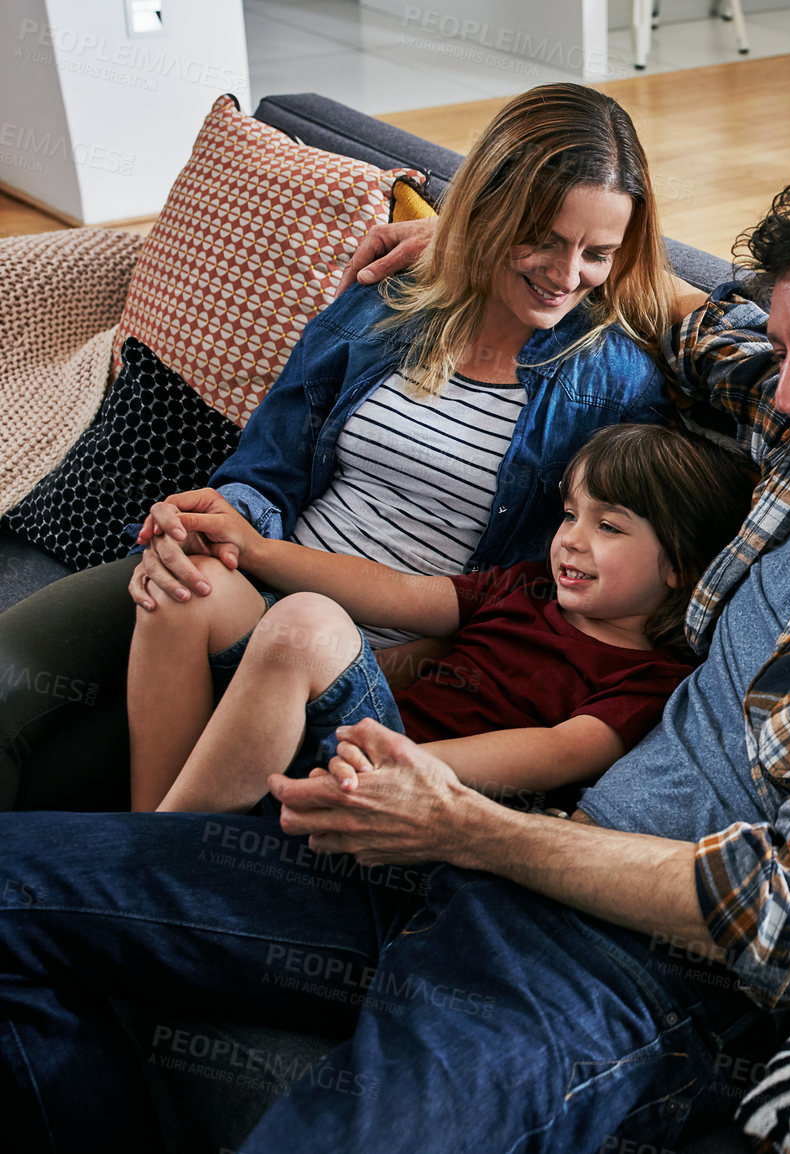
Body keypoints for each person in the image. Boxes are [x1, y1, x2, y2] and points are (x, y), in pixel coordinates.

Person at [0, 159, 790, 1153]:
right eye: (788, 344)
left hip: (632, 972)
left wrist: (472, 824)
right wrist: (480, 242)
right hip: (482, 855)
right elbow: (681, 309)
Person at [0, 82, 675, 812]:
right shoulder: (391, 298)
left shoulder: (614, 387)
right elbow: (268, 466)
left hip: (369, 662)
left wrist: (416, 661)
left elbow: (545, 595)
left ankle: (143, 875)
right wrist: (215, 526)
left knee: (60, 784)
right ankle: (142, 864)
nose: (567, 275)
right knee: (65, 651)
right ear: (486, 210)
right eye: (543, 238)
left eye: (598, 253)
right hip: (251, 583)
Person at [131, 424, 755, 815]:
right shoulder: (528, 586)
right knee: (198, 586)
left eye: (609, 526)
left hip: (406, 791)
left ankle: (149, 855)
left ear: (680, 564)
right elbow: (397, 593)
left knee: (309, 625)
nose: (570, 539)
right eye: (570, 515)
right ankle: (147, 822)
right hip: (346, 737)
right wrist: (258, 548)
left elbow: (557, 751)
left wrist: (402, 767)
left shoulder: (655, 678)